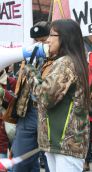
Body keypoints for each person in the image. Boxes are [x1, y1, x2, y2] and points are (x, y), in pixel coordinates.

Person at [23, 19, 90, 172]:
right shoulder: (69, 61)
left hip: (65, 143)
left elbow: (46, 97)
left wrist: (30, 71)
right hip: (61, 143)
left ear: (65, 37)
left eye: (52, 35)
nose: (48, 40)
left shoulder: (66, 63)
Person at [12, 21, 50, 172]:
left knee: (51, 162)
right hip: (28, 113)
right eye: (36, 41)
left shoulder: (59, 60)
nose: (39, 44)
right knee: (21, 161)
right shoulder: (28, 57)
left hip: (48, 113)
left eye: (43, 40)